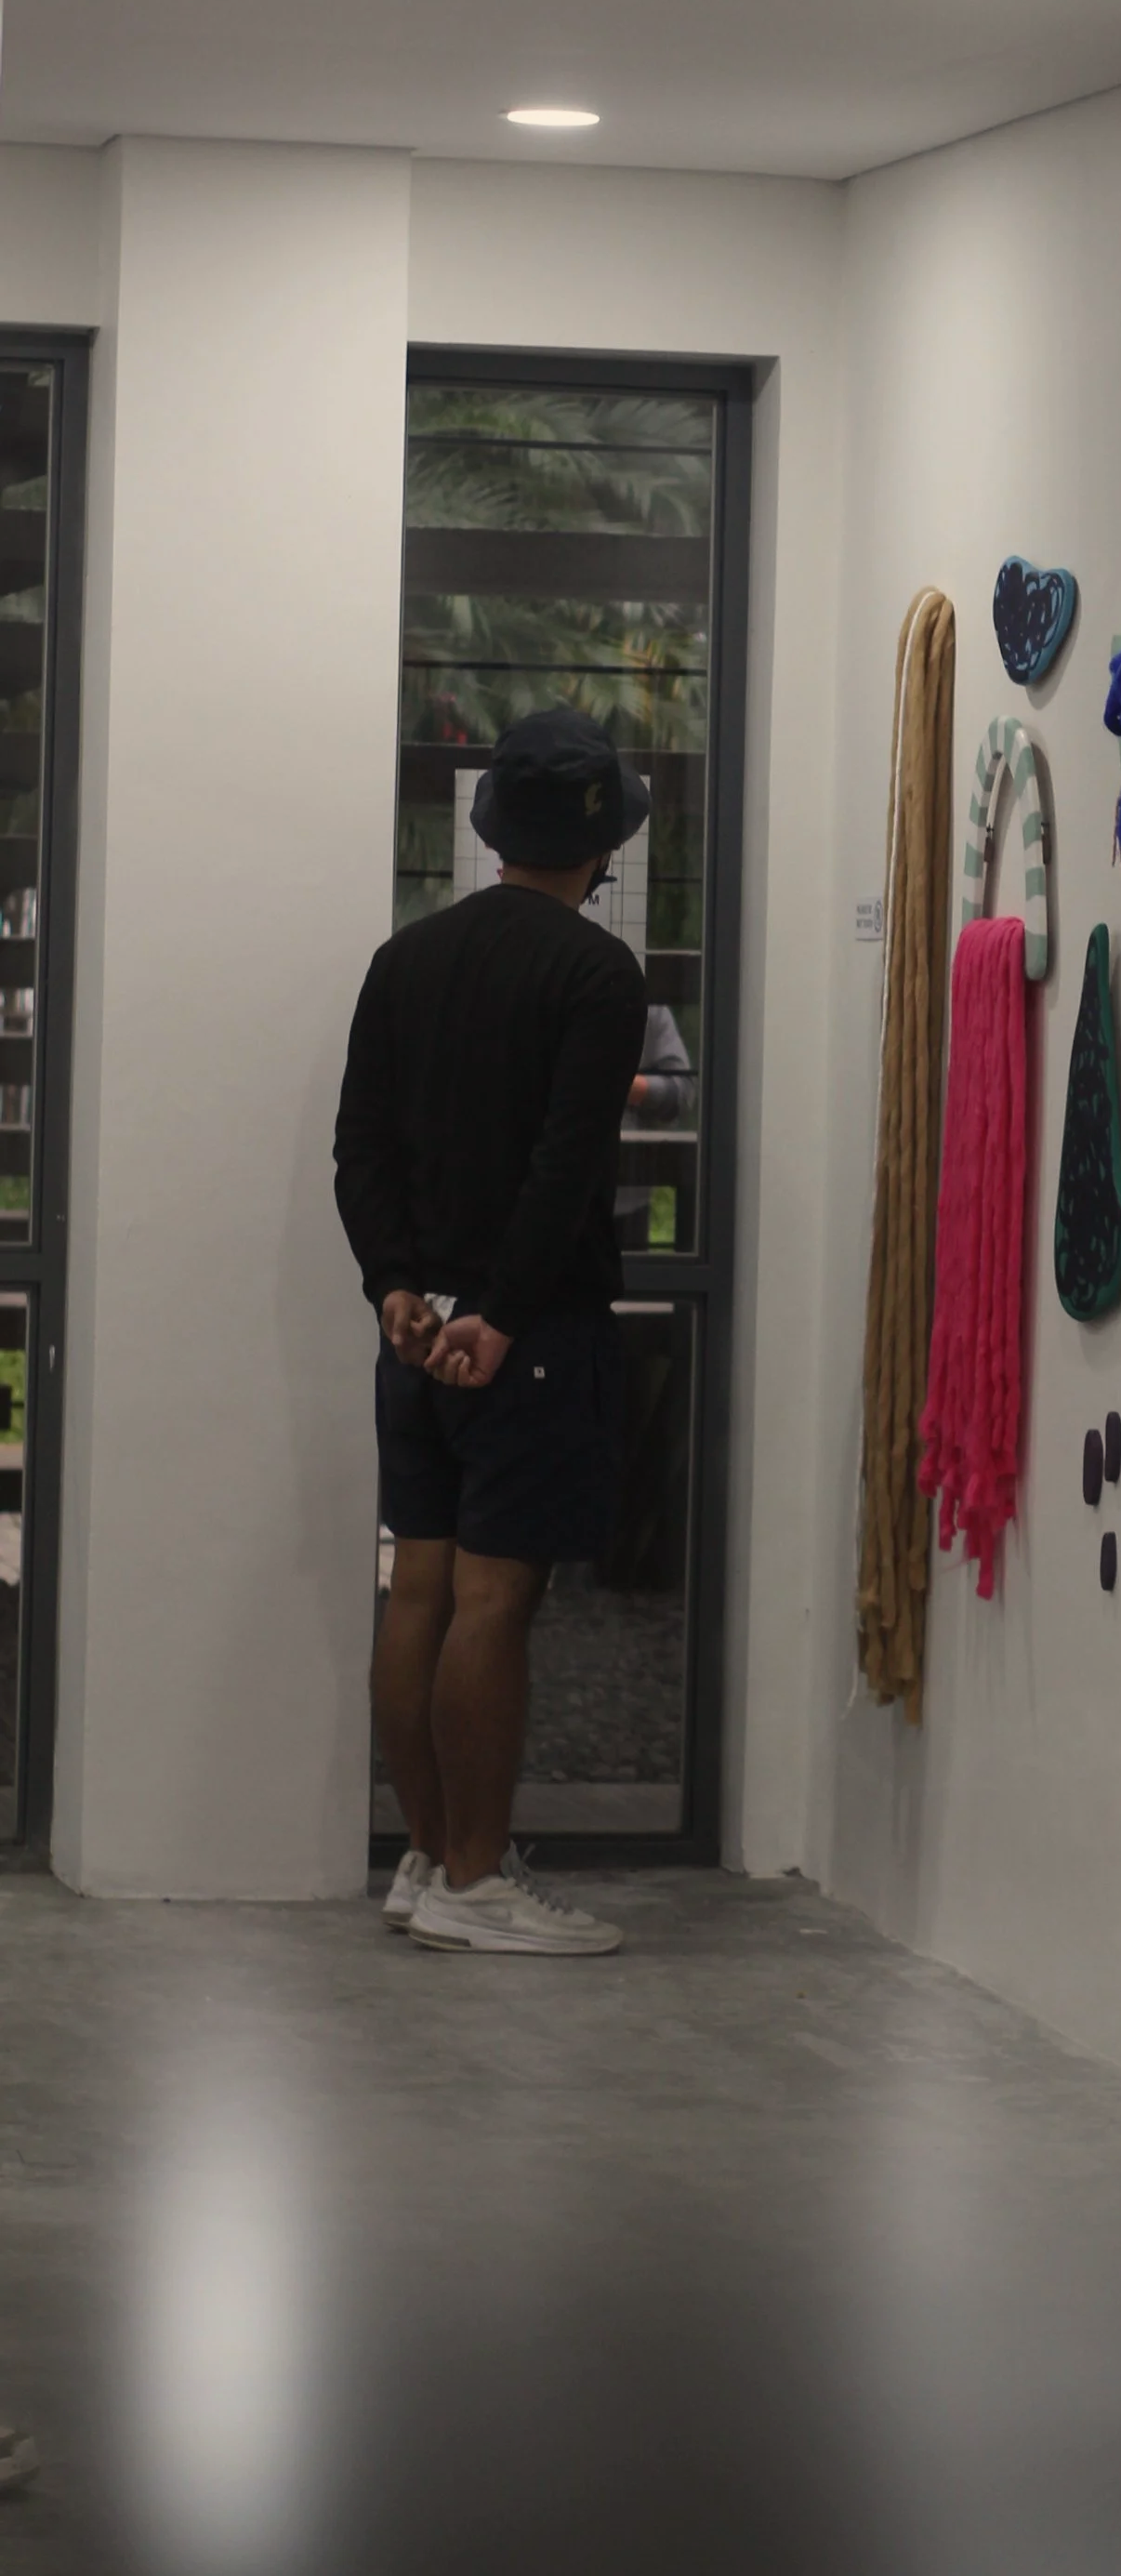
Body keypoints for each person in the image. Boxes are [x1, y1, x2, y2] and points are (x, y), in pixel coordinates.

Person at [334, 705, 651, 1958]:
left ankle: (425, 1859)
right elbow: (567, 1166)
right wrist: (505, 1318)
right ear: (599, 846)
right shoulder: (596, 974)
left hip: (415, 1336)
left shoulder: (404, 961)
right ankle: (475, 1879)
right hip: (529, 1332)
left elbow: (362, 1148)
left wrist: (397, 1289)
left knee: (420, 1583)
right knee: (494, 1603)